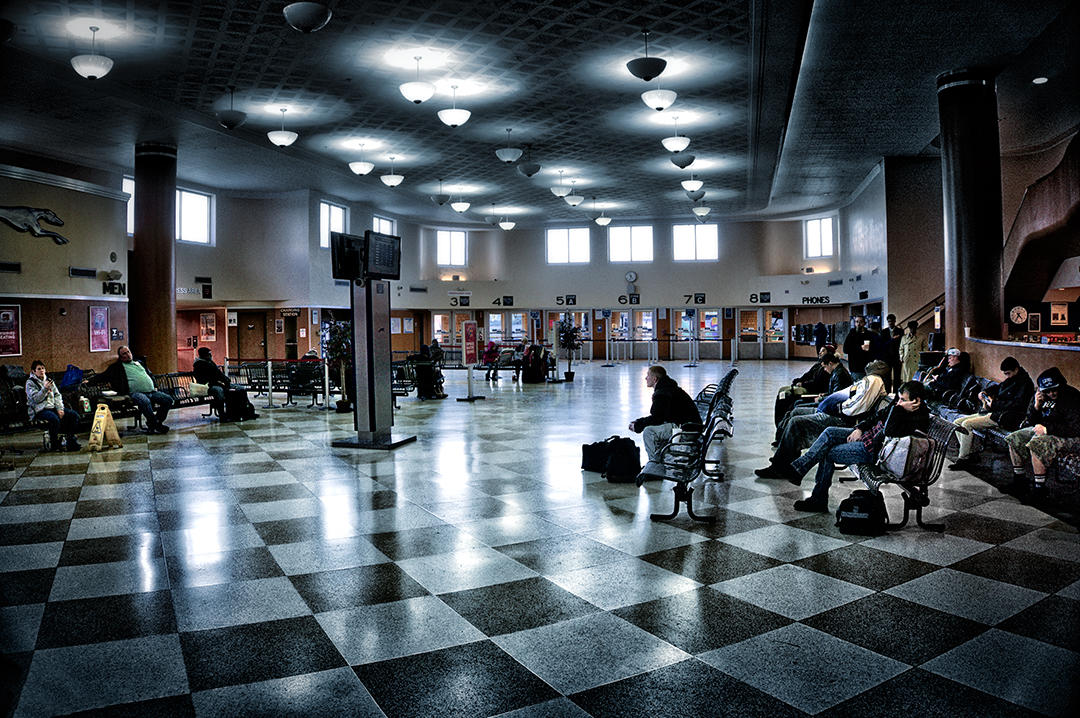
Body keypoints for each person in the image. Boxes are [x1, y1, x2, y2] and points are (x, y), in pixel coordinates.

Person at [789, 381, 930, 512]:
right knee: (830, 432)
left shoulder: (919, 418)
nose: (898, 402)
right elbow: (878, 415)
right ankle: (800, 467)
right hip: (869, 437)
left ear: (916, 401)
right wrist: (860, 428)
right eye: (898, 399)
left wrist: (898, 409)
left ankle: (817, 499)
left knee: (827, 452)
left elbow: (889, 431)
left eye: (902, 400)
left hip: (874, 451)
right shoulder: (900, 405)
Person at [758, 360, 889, 480]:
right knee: (796, 412)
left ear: (879, 368)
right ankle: (783, 461)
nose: (872, 361)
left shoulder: (874, 380)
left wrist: (838, 408)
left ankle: (779, 467)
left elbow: (858, 404)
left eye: (875, 362)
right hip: (835, 412)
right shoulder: (868, 380)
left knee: (796, 422)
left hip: (841, 419)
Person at [949, 357, 1034, 470]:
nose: (1007, 376)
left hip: (1004, 417)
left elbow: (1016, 405)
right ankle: (971, 453)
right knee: (957, 422)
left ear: (1016, 369)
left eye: (1008, 373)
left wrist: (994, 404)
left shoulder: (1025, 384)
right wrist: (986, 392)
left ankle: (963, 458)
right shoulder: (1012, 379)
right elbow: (999, 387)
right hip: (994, 412)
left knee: (966, 425)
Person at [1005, 368, 1080, 495]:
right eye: (1047, 391)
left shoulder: (1072, 397)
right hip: (1044, 430)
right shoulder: (1042, 396)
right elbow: (1030, 420)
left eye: (1054, 389)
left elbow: (1075, 427)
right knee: (1014, 438)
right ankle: (1019, 480)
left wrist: (1047, 429)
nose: (1051, 393)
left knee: (1038, 444)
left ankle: (1040, 488)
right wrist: (1036, 406)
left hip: (1069, 435)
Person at [629, 365, 701, 480]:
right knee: (655, 428)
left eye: (648, 375)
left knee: (649, 431)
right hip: (691, 427)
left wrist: (638, 425)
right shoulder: (668, 388)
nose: (645, 378)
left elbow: (657, 418)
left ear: (655, 379)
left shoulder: (662, 393)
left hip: (686, 430)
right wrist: (639, 421)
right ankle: (656, 463)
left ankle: (654, 470)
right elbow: (659, 416)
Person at [88, 345, 172, 433]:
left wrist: (155, 386)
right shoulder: (117, 367)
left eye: (128, 352)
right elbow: (103, 376)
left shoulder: (139, 362)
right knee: (144, 401)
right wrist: (89, 381)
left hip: (152, 391)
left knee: (168, 400)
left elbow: (149, 374)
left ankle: (156, 422)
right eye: (124, 353)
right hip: (135, 393)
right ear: (120, 357)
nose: (128, 354)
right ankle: (155, 424)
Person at [773, 344, 836, 426]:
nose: (820, 353)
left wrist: (803, 384)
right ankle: (780, 422)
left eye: (823, 351)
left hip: (811, 390)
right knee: (782, 391)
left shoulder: (826, 368)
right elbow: (807, 375)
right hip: (806, 386)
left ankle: (781, 422)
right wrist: (799, 380)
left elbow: (817, 384)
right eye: (820, 351)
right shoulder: (817, 365)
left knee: (785, 394)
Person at [26, 360, 80, 451]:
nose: (42, 371)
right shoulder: (30, 383)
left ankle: (71, 441)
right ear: (33, 371)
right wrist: (44, 389)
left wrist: (60, 408)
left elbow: (57, 395)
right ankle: (54, 444)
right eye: (39, 369)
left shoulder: (49, 380)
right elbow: (35, 399)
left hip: (53, 407)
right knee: (54, 419)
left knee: (74, 415)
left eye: (43, 368)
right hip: (40, 409)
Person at [192, 347, 231, 412]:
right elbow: (211, 376)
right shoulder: (199, 364)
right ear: (204, 355)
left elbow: (218, 373)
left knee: (236, 388)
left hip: (213, 383)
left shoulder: (210, 362)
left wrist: (226, 380)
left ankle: (234, 411)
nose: (211, 355)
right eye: (209, 354)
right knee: (219, 391)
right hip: (205, 386)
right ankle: (221, 413)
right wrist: (224, 381)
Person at [842, 315, 874, 380]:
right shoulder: (852, 334)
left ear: (865, 323)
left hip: (868, 366)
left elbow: (873, 348)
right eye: (857, 322)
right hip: (855, 367)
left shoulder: (869, 334)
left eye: (861, 322)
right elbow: (845, 349)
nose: (858, 324)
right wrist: (860, 348)